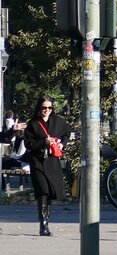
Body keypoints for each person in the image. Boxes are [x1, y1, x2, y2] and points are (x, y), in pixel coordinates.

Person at [24, 96, 69, 236]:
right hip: (37, 162)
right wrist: (44, 142)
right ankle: (43, 224)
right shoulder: (33, 124)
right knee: (42, 191)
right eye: (44, 107)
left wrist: (62, 144)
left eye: (50, 107)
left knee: (49, 193)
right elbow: (28, 144)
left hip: (52, 162)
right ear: (39, 108)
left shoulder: (58, 121)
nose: (47, 110)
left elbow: (67, 132)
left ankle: (46, 221)